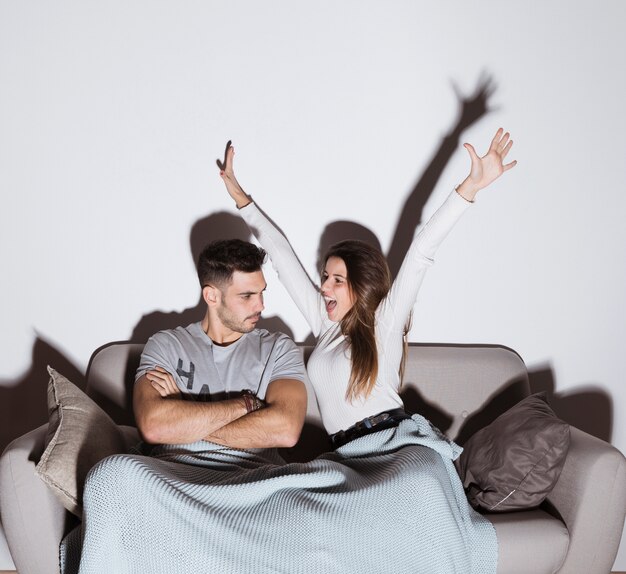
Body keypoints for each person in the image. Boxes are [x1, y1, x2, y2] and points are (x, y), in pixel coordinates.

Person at [132, 238, 308, 449]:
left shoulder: (278, 348)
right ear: (212, 296)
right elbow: (154, 427)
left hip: (253, 474)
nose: (261, 305)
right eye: (247, 296)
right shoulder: (166, 345)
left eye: (262, 292)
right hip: (175, 472)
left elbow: (285, 431)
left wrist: (184, 418)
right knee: (111, 470)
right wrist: (247, 405)